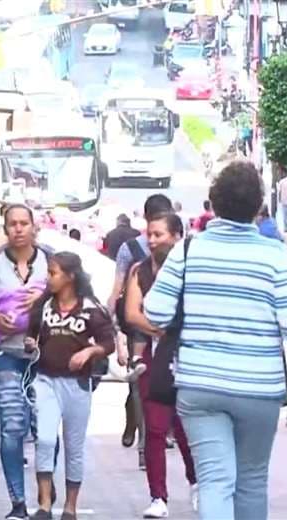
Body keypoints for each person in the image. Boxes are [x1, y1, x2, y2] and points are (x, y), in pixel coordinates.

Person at [144, 161, 287, 520]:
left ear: (214, 202)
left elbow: (155, 312)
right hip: (258, 387)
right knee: (251, 480)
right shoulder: (274, 254)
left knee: (214, 480)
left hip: (198, 383)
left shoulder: (187, 250)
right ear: (257, 206)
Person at [26, 252, 115, 520]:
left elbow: (108, 343)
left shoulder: (91, 309)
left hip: (77, 384)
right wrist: (31, 343)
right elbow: (32, 334)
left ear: (70, 276)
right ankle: (44, 504)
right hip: (45, 380)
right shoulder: (44, 306)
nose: (48, 278)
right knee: (44, 439)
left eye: (53, 273)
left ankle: (70, 507)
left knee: (74, 446)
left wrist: (89, 352)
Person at [124, 213, 198, 518]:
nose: (152, 240)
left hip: (188, 356)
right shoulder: (140, 270)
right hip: (155, 357)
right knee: (154, 427)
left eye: (159, 234)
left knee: (184, 428)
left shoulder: (193, 268)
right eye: (149, 234)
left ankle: (196, 482)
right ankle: (158, 496)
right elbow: (132, 313)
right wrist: (161, 332)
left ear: (177, 236)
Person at [0, 204, 49, 520]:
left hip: (46, 357)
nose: (18, 229)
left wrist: (42, 300)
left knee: (45, 430)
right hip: (6, 355)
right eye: (12, 224)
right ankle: (18, 503)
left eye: (23, 223)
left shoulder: (50, 261)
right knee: (12, 427)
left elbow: (73, 299)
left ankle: (45, 498)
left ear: (33, 226)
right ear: (5, 228)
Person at [108, 194, 173, 463]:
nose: (155, 239)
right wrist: (115, 333)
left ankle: (154, 432)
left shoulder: (181, 251)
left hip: (166, 327)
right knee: (140, 384)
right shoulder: (132, 250)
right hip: (140, 326)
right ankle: (144, 438)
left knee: (154, 384)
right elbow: (117, 291)